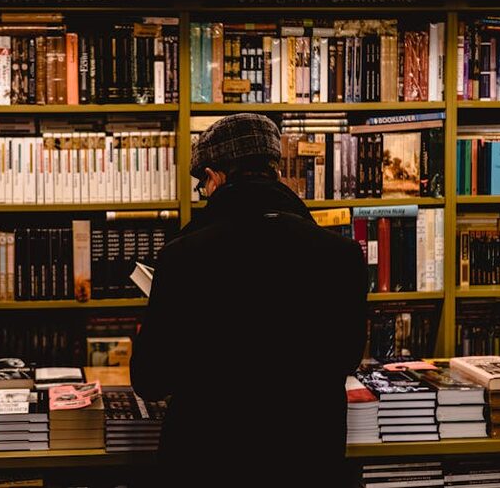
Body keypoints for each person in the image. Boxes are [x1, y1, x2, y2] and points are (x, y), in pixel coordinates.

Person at [130, 113, 368, 486]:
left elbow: (151, 379)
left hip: (207, 463)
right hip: (307, 462)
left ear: (214, 176)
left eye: (202, 186)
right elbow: (346, 357)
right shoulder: (342, 254)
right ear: (273, 170)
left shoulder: (184, 256)